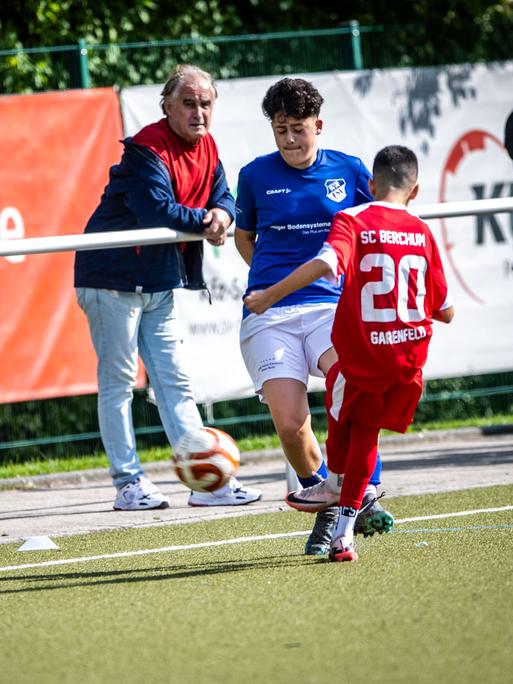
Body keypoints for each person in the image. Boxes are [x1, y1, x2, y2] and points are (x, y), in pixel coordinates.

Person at [245, 145, 455, 561]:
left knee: (345, 425)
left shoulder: (354, 219)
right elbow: (444, 310)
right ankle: (345, 530)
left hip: (364, 356)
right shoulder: (422, 230)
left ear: (370, 186)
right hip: (408, 363)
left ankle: (335, 491)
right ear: (415, 191)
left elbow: (327, 264)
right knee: (365, 434)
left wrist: (270, 294)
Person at [74, 64, 262, 510]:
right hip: (111, 279)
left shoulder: (209, 146)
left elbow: (225, 195)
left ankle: (207, 483)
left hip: (158, 282)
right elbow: (156, 209)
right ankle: (128, 483)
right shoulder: (145, 150)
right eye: (189, 103)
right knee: (118, 382)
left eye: (206, 103)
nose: (199, 112)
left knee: (175, 381)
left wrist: (222, 214)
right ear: (168, 107)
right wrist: (207, 219)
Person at [235, 77, 392, 555]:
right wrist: (276, 285)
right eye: (280, 130)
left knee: (353, 387)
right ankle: (330, 501)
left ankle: (358, 497)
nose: (289, 140)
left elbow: (377, 227)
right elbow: (246, 239)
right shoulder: (255, 175)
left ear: (318, 125)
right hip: (270, 314)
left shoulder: (349, 170)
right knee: (290, 425)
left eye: (298, 129)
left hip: (333, 308)